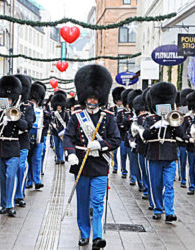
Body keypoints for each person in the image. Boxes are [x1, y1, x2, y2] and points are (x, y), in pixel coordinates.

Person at [64, 64, 121, 249]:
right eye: (89, 97)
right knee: (82, 203)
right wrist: (70, 154)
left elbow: (116, 139)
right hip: (80, 164)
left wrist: (100, 145)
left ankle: (97, 236)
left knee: (97, 202)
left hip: (99, 165)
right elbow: (68, 137)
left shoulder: (108, 117)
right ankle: (84, 233)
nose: (92, 100)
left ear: (100, 98)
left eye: (95, 98)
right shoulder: (76, 116)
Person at [141, 82, 181, 223]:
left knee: (169, 184)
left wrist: (173, 124)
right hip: (154, 155)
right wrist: (155, 126)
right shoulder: (149, 119)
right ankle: (158, 208)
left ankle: (170, 211)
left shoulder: (174, 117)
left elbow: (181, 135)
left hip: (169, 155)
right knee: (156, 184)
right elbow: (145, 135)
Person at [0, 75, 28, 217]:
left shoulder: (17, 112)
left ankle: (10, 204)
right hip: (0, 147)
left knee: (11, 176)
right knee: (2, 178)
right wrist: (1, 121)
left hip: (13, 147)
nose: (9, 101)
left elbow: (25, 126)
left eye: (10, 99)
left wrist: (14, 119)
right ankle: (4, 204)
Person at [14, 74, 35, 207]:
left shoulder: (28, 107)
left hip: (22, 141)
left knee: (21, 167)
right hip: (9, 142)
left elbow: (29, 124)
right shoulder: (7, 105)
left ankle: (19, 194)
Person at [27, 82, 46, 189]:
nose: (32, 102)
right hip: (28, 138)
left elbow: (47, 123)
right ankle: (29, 180)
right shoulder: (25, 109)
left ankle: (37, 180)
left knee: (37, 159)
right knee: (28, 159)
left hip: (39, 138)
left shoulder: (43, 110)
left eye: (34, 101)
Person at [180, 89, 195, 192]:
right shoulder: (187, 117)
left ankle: (192, 184)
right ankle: (183, 179)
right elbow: (182, 131)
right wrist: (187, 138)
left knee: (192, 166)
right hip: (185, 143)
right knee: (183, 162)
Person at [50, 90, 69, 164]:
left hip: (62, 132)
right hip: (55, 132)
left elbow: (67, 122)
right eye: (57, 105)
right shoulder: (54, 113)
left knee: (62, 146)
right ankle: (58, 158)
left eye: (59, 105)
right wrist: (52, 124)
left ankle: (61, 158)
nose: (58, 107)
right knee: (56, 146)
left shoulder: (65, 113)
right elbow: (51, 121)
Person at [110, 86, 125, 174]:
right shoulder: (112, 109)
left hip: (123, 135)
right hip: (114, 134)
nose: (119, 102)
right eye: (118, 100)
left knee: (123, 154)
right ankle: (115, 166)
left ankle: (124, 170)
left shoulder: (125, 110)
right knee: (114, 153)